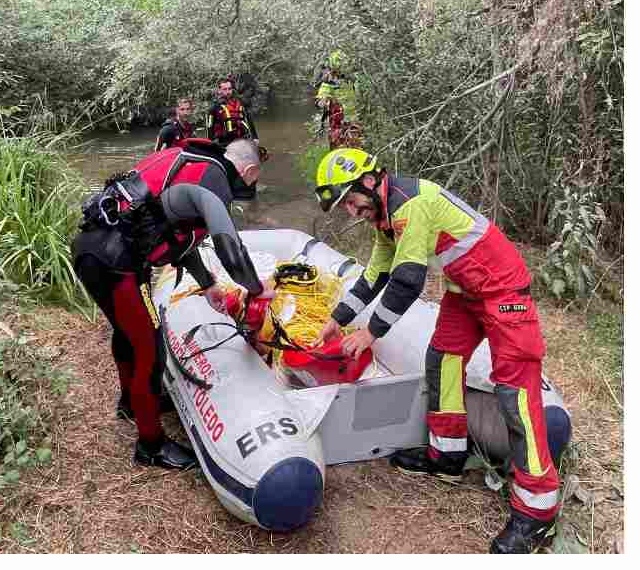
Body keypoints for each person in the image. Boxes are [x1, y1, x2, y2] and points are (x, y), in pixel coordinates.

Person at [313, 148, 559, 554]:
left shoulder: (412, 205)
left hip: (501, 292)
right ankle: (447, 456)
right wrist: (337, 319)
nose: (352, 212)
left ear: (369, 181)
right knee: (442, 360)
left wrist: (371, 333)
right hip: (465, 293)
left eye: (351, 201)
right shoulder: (386, 217)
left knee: (515, 392)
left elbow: (408, 281)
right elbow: (375, 275)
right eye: (345, 207)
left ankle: (537, 511)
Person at [71, 137, 265, 469]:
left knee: (128, 332)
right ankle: (151, 445)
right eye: (253, 179)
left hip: (90, 249)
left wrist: (207, 284)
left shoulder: (185, 160)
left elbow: (174, 233)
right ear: (249, 170)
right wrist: (257, 289)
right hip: (118, 264)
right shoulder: (214, 177)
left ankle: (131, 403)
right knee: (151, 348)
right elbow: (229, 248)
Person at [205, 77, 258, 145]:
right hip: (225, 143)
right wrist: (211, 145)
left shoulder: (240, 103)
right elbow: (210, 127)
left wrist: (255, 137)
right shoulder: (214, 108)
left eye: (229, 89)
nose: (228, 92)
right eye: (225, 89)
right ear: (219, 90)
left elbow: (249, 120)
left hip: (243, 140)